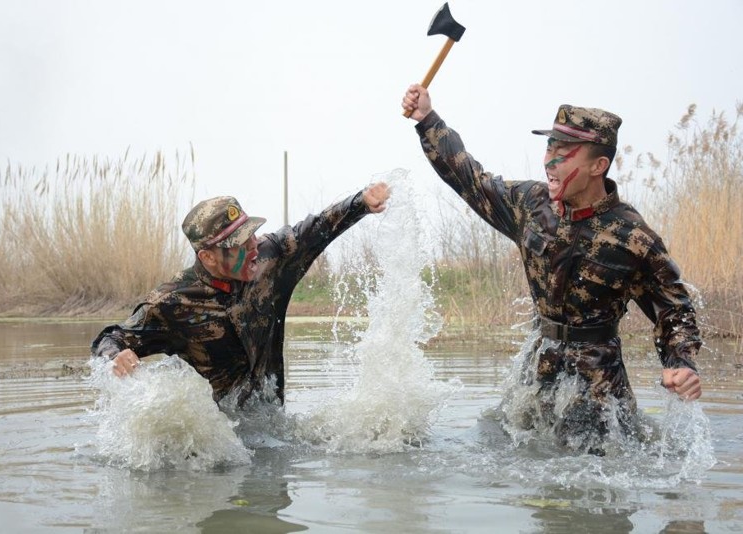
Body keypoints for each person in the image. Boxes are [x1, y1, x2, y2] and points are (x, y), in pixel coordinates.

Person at [401, 85, 702, 451]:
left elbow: (674, 309)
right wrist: (427, 121)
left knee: (588, 484)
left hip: (596, 386)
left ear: (598, 165)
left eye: (563, 152)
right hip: (536, 369)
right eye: (549, 147)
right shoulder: (531, 205)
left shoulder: (632, 237)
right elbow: (471, 179)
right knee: (523, 466)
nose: (549, 161)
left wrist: (680, 363)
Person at [91, 182, 390, 407]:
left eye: (251, 235)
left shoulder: (270, 259)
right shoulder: (172, 303)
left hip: (272, 425)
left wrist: (360, 202)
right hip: (220, 448)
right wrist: (115, 356)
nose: (253, 247)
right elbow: (112, 337)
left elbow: (315, 229)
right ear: (208, 257)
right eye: (239, 243)